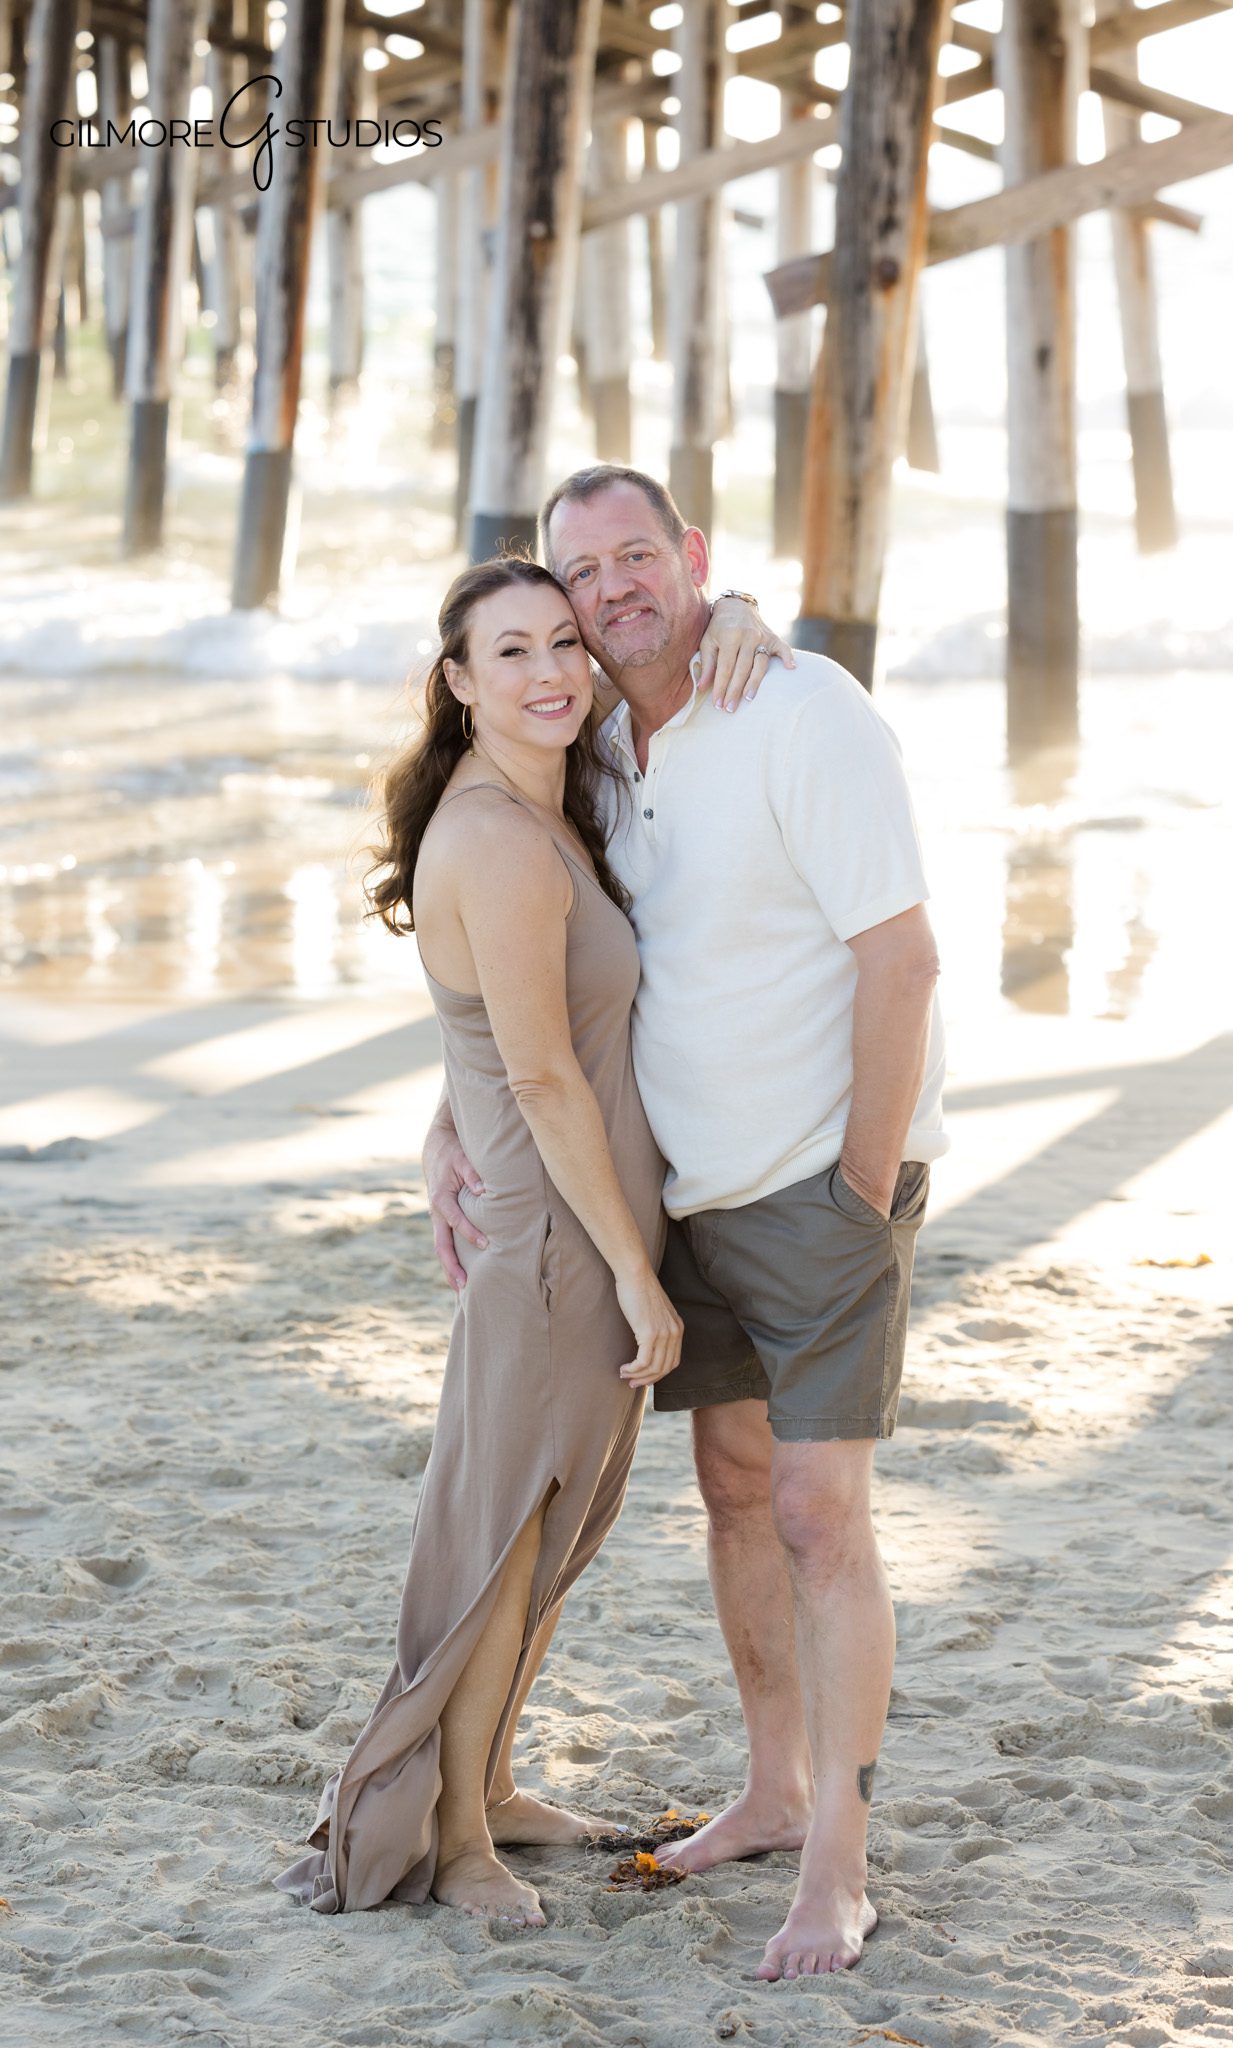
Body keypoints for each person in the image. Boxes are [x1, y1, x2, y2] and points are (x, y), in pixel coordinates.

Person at [424, 464, 947, 1980]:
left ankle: (836, 1866)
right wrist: (446, 1112)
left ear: (694, 559)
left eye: (640, 557)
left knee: (816, 1518)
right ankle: (773, 1792)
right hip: (676, 1199)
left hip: (812, 1187)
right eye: (583, 573)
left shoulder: (802, 711)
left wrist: (858, 1185)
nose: (615, 589)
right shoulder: (591, 748)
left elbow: (902, 962)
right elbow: (541, 967)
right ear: (563, 604)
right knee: (730, 1494)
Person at [274, 557, 787, 1922]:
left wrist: (730, 609)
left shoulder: (544, 806)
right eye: (510, 653)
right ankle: (449, 1845)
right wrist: (630, 1269)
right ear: (456, 683)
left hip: (579, 1224)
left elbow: (492, 1048)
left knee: (555, 1524)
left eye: (564, 641)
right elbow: (544, 1076)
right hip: (560, 1248)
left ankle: (487, 1783)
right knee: (509, 1534)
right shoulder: (497, 837)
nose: (553, 670)